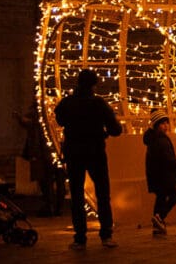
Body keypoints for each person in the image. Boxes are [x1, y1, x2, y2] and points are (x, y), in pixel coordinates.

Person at [55, 69, 123, 250]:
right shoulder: (99, 104)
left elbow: (59, 120)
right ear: (94, 84)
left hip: (74, 152)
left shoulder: (67, 103)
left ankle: (80, 237)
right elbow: (116, 129)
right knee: (102, 193)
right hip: (95, 152)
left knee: (77, 196)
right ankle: (106, 234)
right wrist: (105, 132)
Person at [18, 99, 64, 217]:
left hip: (44, 154)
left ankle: (51, 206)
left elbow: (28, 124)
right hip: (57, 153)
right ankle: (58, 207)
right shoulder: (54, 115)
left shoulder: (38, 117)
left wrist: (20, 119)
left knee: (46, 181)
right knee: (58, 181)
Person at [144, 109, 176, 236]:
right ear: (156, 125)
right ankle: (159, 217)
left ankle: (157, 224)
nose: (166, 126)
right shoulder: (160, 139)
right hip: (164, 175)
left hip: (156, 175)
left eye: (167, 123)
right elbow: (166, 158)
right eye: (162, 124)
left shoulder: (153, 139)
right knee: (173, 197)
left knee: (160, 197)